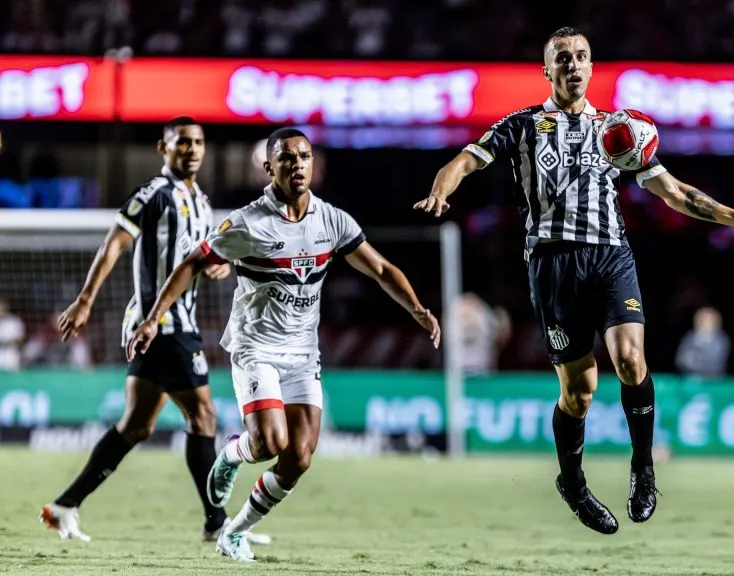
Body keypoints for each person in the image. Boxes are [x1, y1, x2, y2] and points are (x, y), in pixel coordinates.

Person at [414, 26, 734, 535]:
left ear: (591, 67)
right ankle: (572, 482)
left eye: (581, 57)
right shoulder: (522, 126)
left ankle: (644, 468)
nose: (572, 64)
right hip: (553, 264)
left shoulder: (619, 132)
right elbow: (464, 160)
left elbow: (676, 193)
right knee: (580, 392)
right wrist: (442, 189)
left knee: (632, 360)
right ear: (548, 70)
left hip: (611, 256)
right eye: (562, 57)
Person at [127, 127, 440, 562]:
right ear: (268, 166)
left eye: (304, 156)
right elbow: (193, 262)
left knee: (300, 458)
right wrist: (153, 317)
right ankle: (232, 454)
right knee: (269, 443)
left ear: (314, 164)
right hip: (256, 347)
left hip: (302, 354)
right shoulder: (248, 223)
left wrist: (417, 309)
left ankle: (234, 532)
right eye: (287, 158)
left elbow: (382, 270)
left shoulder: (332, 221)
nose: (297, 164)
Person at [39, 117, 270, 546]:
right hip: (161, 324)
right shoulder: (154, 193)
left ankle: (64, 506)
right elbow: (114, 243)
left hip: (178, 322)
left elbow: (197, 257)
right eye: (183, 142)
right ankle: (216, 522)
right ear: (162, 148)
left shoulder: (200, 200)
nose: (193, 149)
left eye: (199, 142)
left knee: (137, 426)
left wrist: (215, 265)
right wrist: (86, 299)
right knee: (202, 416)